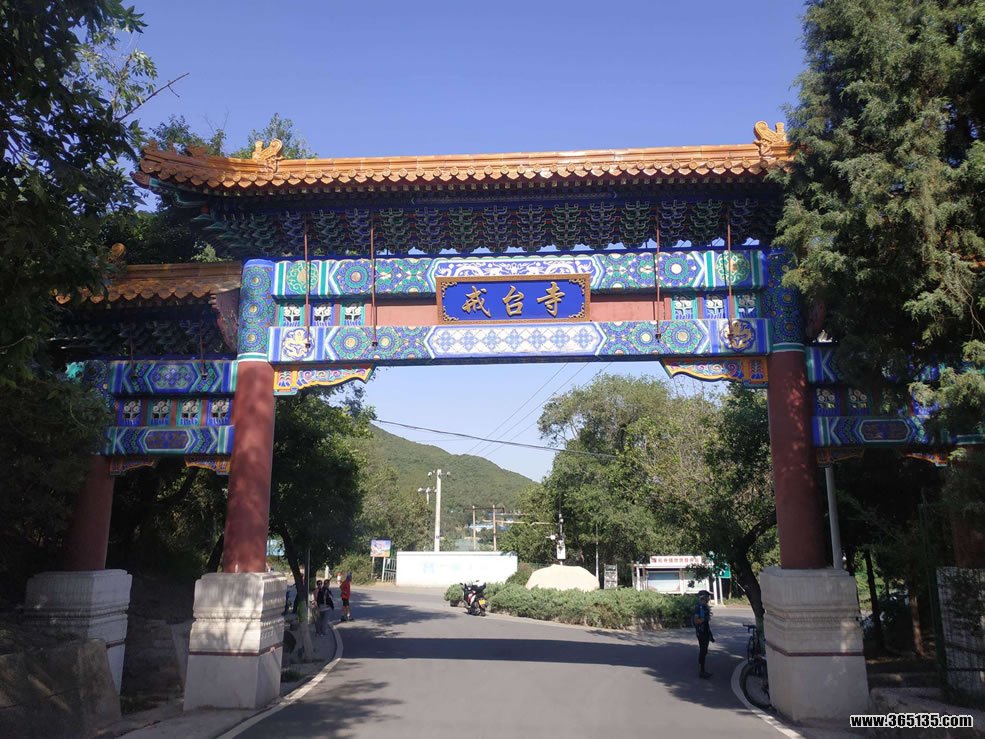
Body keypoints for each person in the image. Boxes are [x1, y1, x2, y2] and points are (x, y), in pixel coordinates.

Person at [693, 589, 715, 679]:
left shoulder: (703, 606)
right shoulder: (700, 607)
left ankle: (701, 667)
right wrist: (705, 619)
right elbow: (696, 620)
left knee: (704, 650)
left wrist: (710, 634)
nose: (708, 598)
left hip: (704, 631)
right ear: (703, 597)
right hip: (701, 632)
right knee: (703, 650)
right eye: (707, 597)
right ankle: (702, 671)